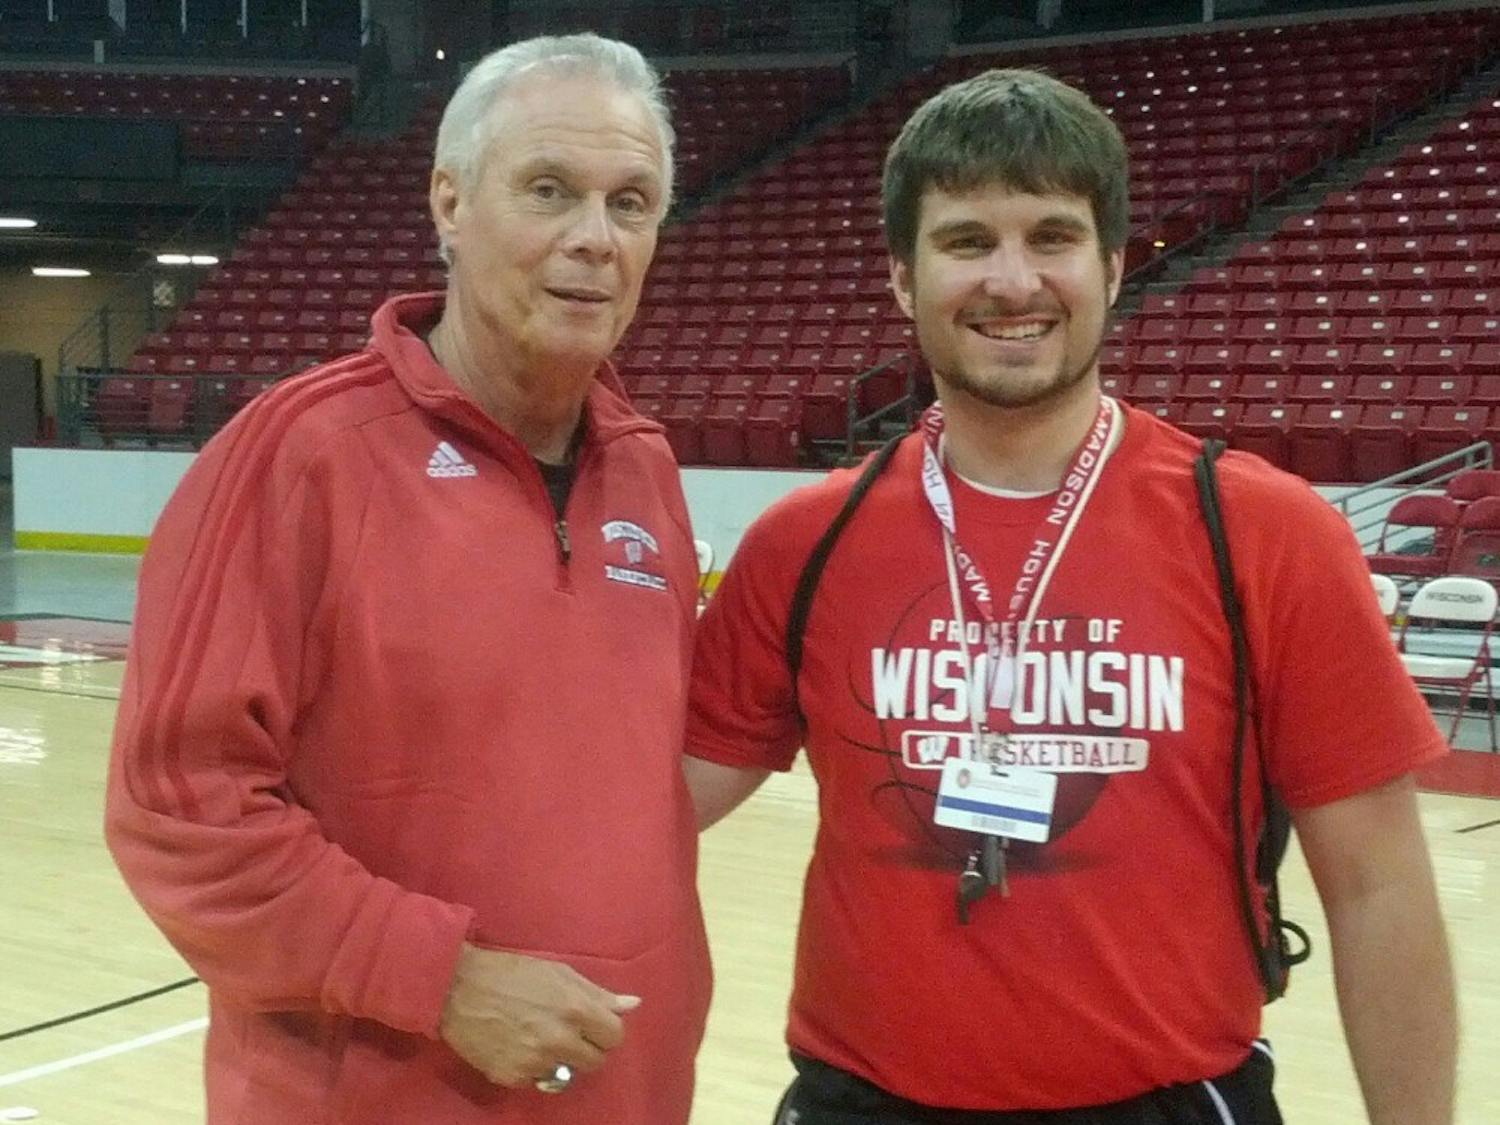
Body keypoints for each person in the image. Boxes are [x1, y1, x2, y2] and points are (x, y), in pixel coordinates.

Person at [684, 69, 1456, 1124]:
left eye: (1051, 237)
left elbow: (1379, 891)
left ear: (1112, 264)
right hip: (862, 1101)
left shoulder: (1266, 534)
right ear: (903, 279)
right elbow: (655, 804)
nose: (1013, 281)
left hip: (1169, 1099)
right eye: (966, 241)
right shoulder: (802, 543)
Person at [105, 33, 711, 1125]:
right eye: (548, 190)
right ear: (448, 202)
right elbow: (179, 810)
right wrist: (444, 980)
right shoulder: (299, 454)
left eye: (632, 203)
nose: (594, 239)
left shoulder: (647, 469)